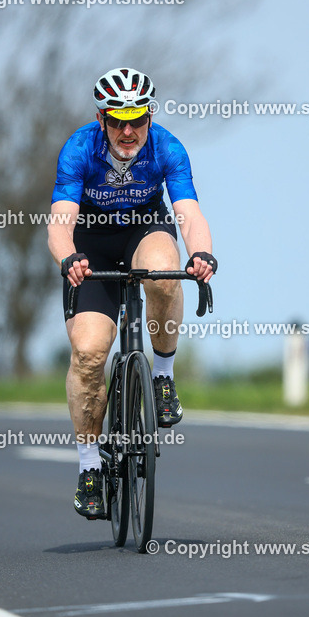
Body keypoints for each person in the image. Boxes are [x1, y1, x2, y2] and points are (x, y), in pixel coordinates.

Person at [47, 67, 217, 519]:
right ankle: (88, 468)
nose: (128, 130)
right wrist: (69, 259)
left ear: (149, 115)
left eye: (137, 119)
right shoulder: (79, 148)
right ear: (101, 118)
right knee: (89, 353)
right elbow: (60, 222)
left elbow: (190, 213)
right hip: (91, 241)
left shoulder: (167, 147)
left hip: (145, 229)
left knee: (163, 272)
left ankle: (161, 374)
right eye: (118, 119)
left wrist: (201, 254)